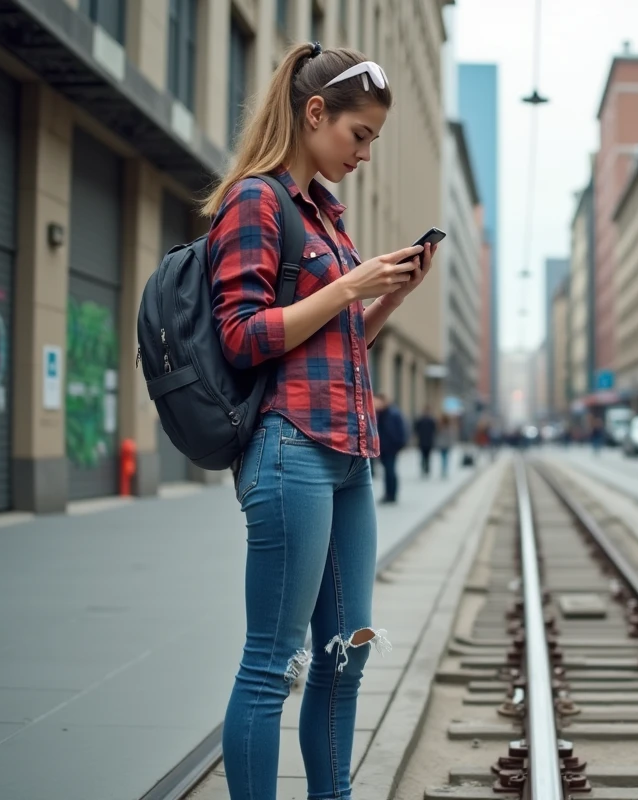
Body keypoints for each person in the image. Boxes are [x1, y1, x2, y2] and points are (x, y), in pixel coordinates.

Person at [205, 42, 439, 800]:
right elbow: (242, 336)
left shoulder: (327, 216)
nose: (365, 153)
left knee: (347, 654)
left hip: (349, 456)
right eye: (358, 134)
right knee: (272, 663)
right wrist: (346, 288)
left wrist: (389, 296)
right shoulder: (256, 201)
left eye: (373, 139)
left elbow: (335, 344)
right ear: (314, 113)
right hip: (290, 450)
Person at [376, 393, 406, 502]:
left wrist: (399, 445)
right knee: (387, 472)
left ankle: (391, 495)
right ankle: (388, 494)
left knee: (390, 471)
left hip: (391, 448)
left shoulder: (393, 414)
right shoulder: (379, 414)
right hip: (383, 448)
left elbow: (400, 431)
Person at [414, 406, 436, 478]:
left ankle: (425, 468)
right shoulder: (423, 420)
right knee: (424, 456)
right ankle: (425, 468)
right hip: (424, 441)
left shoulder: (429, 421)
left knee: (426, 456)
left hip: (426, 441)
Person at [435, 413, 454, 478]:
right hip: (445, 444)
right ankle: (444, 469)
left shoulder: (441, 427)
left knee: (443, 457)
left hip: (443, 444)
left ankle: (444, 469)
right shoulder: (446, 427)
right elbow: (450, 437)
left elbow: (438, 436)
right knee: (445, 457)